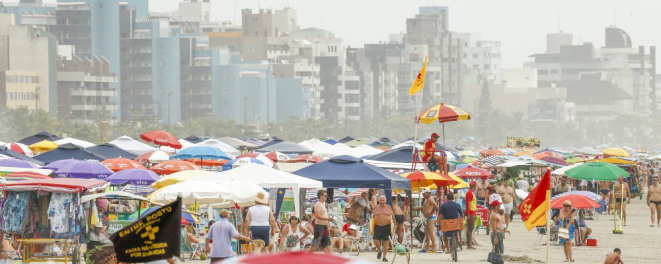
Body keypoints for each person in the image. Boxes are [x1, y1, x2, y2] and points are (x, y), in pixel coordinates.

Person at [413, 188, 438, 253]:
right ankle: (427, 247)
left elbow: (436, 206)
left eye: (424, 193)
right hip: (428, 217)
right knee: (427, 233)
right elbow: (425, 207)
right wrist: (416, 208)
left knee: (431, 233)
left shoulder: (430, 199)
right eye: (422, 193)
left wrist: (431, 213)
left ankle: (434, 248)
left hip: (431, 217)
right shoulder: (427, 199)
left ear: (428, 193)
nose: (423, 194)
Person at [372, 195, 394, 262]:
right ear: (378, 200)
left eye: (383, 200)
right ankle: (379, 251)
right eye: (380, 200)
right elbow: (373, 216)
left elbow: (393, 216)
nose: (381, 201)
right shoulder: (376, 207)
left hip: (387, 226)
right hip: (377, 226)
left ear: (385, 201)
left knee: (386, 242)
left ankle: (384, 257)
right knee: (375, 240)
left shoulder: (388, 207)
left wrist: (395, 225)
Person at [465, 181, 478, 249]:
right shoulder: (470, 193)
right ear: (474, 186)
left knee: (470, 229)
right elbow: (468, 204)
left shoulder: (470, 192)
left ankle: (469, 244)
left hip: (472, 212)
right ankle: (469, 244)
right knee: (470, 229)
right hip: (471, 212)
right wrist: (469, 214)